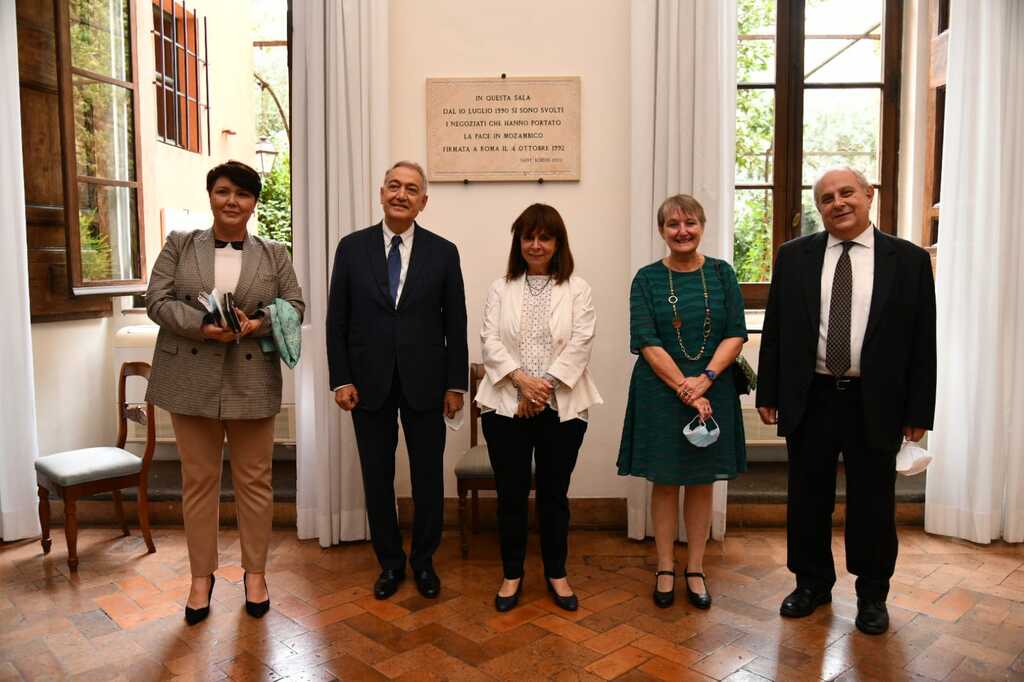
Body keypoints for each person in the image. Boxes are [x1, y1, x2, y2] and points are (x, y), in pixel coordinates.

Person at [756, 166, 936, 635]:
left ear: (869, 194)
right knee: (806, 498)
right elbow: (774, 329)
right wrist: (769, 390)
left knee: (873, 502)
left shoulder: (910, 261)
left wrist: (919, 411)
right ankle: (811, 584)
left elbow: (923, 342)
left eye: (846, 193)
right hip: (810, 396)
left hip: (875, 400)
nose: (838, 203)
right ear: (819, 209)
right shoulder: (793, 256)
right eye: (826, 198)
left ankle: (872, 594)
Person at [145, 160, 305, 624]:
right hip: (189, 380)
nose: (232, 201)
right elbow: (156, 300)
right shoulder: (180, 244)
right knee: (199, 483)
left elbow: (294, 304)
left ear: (254, 203)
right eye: (223, 192)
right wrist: (201, 326)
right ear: (210, 196)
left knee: (255, 482)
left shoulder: (275, 252)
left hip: (252, 377)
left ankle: (255, 574)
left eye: (242, 194)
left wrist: (258, 324)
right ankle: (201, 578)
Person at [326, 161, 468, 600]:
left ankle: (424, 562)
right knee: (376, 476)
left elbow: (455, 323)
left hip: (426, 382)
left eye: (411, 189)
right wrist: (341, 379)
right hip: (367, 383)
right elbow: (337, 321)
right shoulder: (351, 248)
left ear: (423, 201)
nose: (401, 194)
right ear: (381, 193)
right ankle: (389, 563)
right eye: (394, 186)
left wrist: (455, 385)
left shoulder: (444, 252)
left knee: (428, 478)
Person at [618, 194, 748, 610]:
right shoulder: (646, 278)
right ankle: (664, 567)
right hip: (661, 391)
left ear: (703, 226)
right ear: (662, 231)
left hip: (714, 388)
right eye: (673, 225)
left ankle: (695, 567)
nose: (682, 231)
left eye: (690, 223)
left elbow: (735, 333)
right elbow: (646, 340)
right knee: (665, 478)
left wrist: (705, 379)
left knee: (701, 479)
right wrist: (684, 388)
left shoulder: (722, 274)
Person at [476, 204, 603, 613]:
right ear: (518, 242)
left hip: (561, 408)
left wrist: (541, 391)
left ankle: (556, 573)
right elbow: (489, 341)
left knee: (554, 495)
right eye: (528, 237)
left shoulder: (577, 289)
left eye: (544, 237)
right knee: (511, 496)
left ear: (557, 243)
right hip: (503, 406)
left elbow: (582, 342)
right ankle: (512, 573)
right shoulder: (501, 288)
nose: (535, 244)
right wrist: (521, 383)